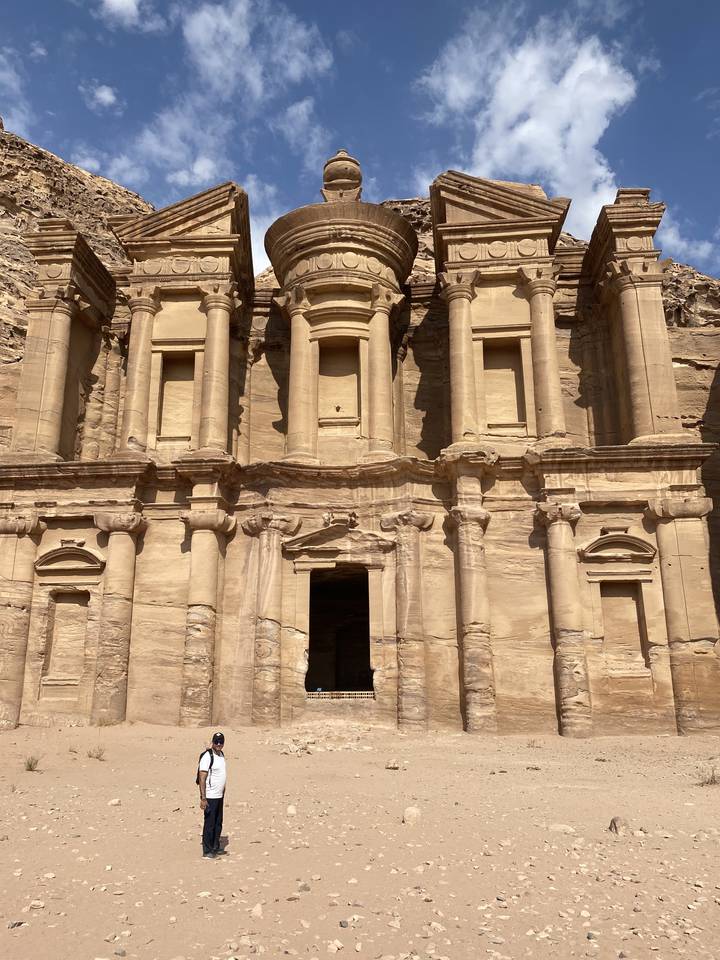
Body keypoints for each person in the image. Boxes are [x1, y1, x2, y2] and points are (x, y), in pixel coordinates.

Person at [198, 732, 226, 859]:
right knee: (209, 823)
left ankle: (215, 846)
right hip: (210, 796)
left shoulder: (221, 755)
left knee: (218, 822)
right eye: (216, 742)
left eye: (221, 742)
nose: (219, 744)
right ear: (213, 742)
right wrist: (203, 798)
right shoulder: (207, 757)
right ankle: (207, 850)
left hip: (219, 795)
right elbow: (202, 777)